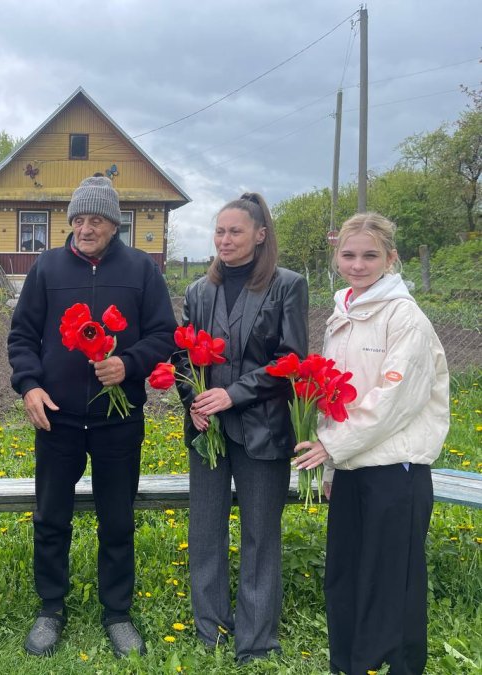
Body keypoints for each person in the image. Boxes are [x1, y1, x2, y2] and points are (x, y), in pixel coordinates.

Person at [8, 175, 176, 658]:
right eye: (78, 219)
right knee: (51, 518)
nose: (85, 228)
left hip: (118, 421)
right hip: (57, 420)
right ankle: (51, 608)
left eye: (95, 219)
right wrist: (30, 385)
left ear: (114, 223)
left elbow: (164, 335)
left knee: (117, 521)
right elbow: (21, 337)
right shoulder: (47, 268)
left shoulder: (141, 270)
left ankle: (117, 613)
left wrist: (129, 363)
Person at [292, 213, 449, 675]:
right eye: (349, 255)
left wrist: (331, 449)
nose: (358, 265)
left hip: (393, 469)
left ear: (391, 259)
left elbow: (394, 399)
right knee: (346, 575)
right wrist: (334, 468)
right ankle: (350, 663)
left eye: (370, 255)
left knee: (391, 582)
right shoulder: (344, 311)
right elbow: (333, 395)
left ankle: (399, 666)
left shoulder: (405, 318)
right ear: (336, 258)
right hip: (351, 466)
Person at [175, 192, 308, 664]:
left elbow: (290, 360)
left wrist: (235, 393)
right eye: (219, 231)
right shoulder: (197, 291)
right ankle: (209, 630)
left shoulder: (286, 286)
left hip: (262, 431)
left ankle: (256, 641)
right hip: (207, 433)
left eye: (235, 231)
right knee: (206, 530)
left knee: (259, 535)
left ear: (259, 235)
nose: (225, 240)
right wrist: (194, 402)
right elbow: (181, 357)